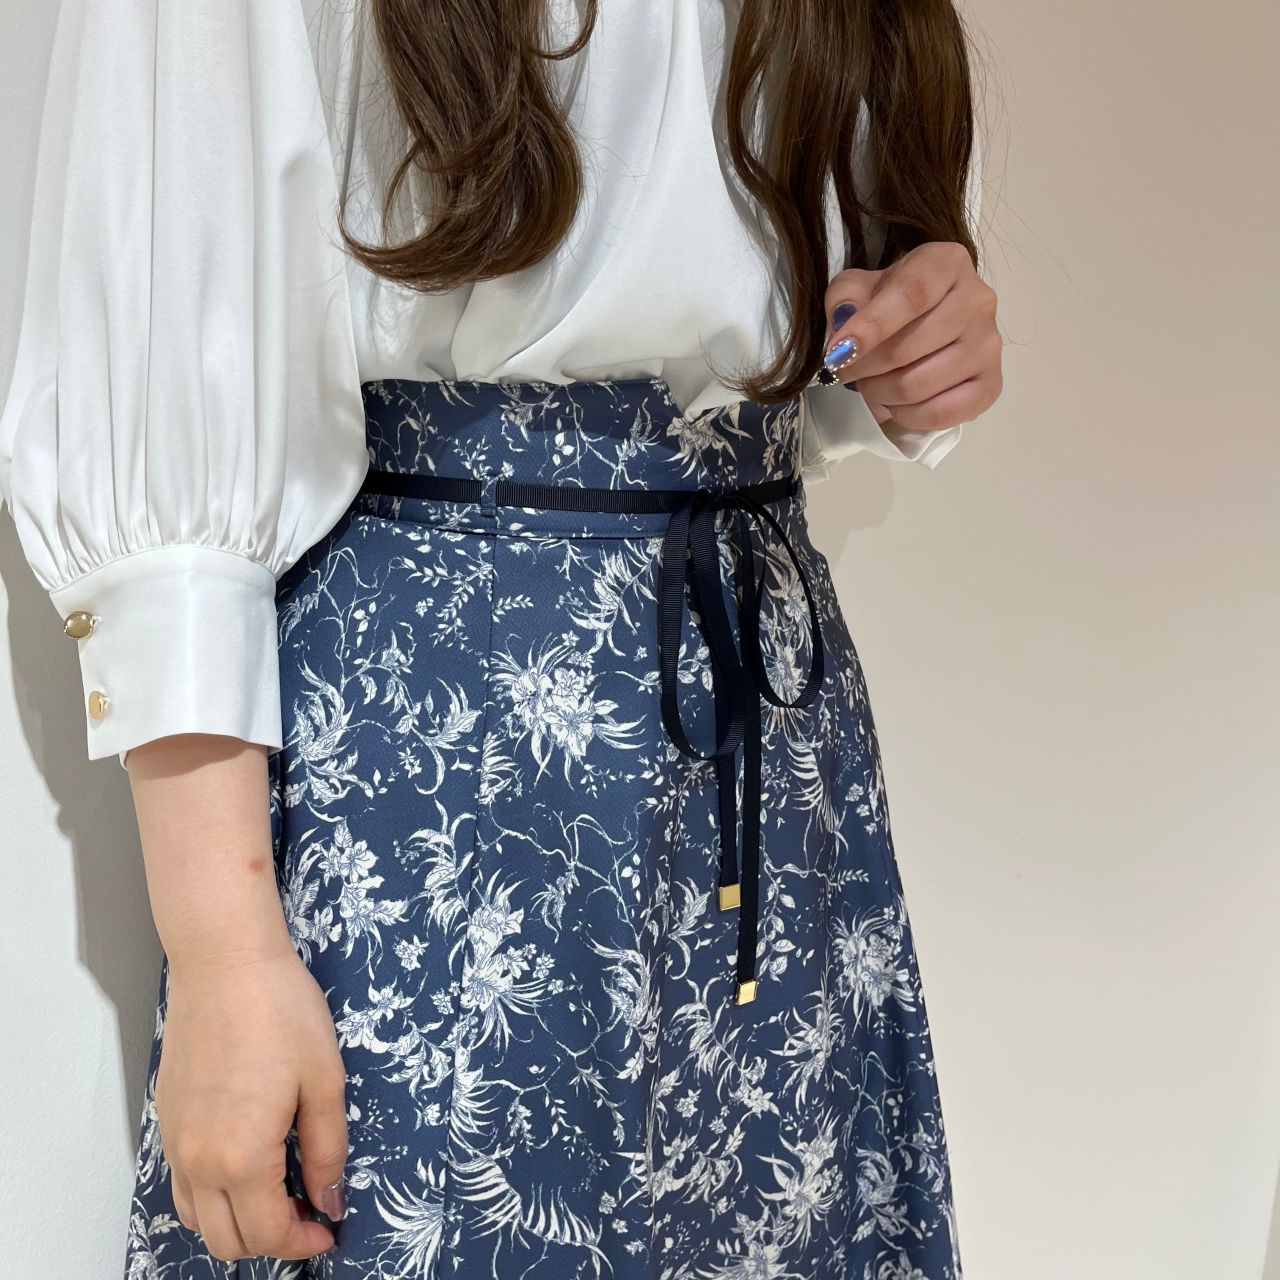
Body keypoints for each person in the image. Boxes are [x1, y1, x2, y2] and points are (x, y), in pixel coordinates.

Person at [0, 0, 1002, 1275]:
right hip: (446, 743)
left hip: (768, 744)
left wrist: (917, 330)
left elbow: (807, 287)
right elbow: (168, 309)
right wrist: (221, 946)